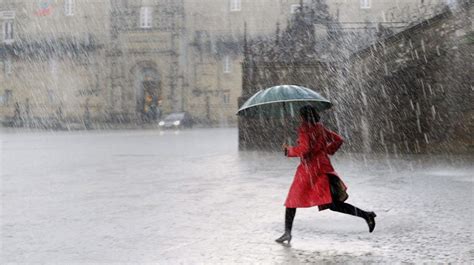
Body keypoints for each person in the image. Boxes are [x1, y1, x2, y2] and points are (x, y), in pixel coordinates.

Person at [275, 105, 376, 244]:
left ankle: (287, 233)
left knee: (292, 201)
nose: (299, 118)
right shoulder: (319, 128)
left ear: (303, 117)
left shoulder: (305, 129)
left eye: (300, 115)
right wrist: (327, 151)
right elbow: (338, 140)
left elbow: (305, 149)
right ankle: (366, 215)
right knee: (333, 204)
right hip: (323, 167)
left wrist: (289, 150)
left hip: (309, 171)